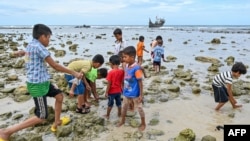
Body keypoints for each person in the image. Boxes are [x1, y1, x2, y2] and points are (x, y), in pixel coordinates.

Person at [0, 24, 83, 141]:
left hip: (43, 81)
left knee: (59, 96)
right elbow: (55, 66)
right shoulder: (39, 48)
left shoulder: (32, 44)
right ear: (42, 36)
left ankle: (57, 122)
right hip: (37, 85)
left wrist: (19, 52)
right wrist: (74, 73)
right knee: (42, 116)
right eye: (48, 37)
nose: (49, 40)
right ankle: (6, 132)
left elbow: (28, 53)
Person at [117, 46, 146, 131]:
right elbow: (125, 77)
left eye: (125, 57)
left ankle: (143, 123)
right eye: (123, 57)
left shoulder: (136, 68)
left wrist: (141, 94)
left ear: (132, 57)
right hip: (126, 92)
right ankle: (122, 121)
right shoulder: (126, 65)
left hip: (135, 94)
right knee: (124, 107)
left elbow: (140, 82)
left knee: (139, 108)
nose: (124, 59)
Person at [104, 55, 124, 119]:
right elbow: (122, 81)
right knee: (119, 103)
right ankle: (119, 114)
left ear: (111, 63)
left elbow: (109, 84)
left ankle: (107, 115)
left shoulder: (110, 72)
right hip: (118, 91)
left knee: (110, 104)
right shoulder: (122, 71)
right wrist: (122, 89)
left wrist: (106, 92)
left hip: (111, 92)